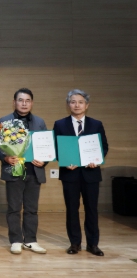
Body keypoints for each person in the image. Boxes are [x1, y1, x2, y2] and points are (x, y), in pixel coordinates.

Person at [0, 88, 48, 255]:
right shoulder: (3, 121)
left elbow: (47, 145)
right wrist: (5, 158)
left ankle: (30, 240)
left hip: (34, 171)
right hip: (13, 170)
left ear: (32, 103)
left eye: (27, 100)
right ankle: (16, 240)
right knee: (14, 208)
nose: (24, 104)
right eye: (20, 100)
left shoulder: (40, 122)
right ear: (14, 102)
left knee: (32, 209)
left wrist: (44, 161)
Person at [53, 89, 108, 256]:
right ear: (68, 105)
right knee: (72, 209)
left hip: (91, 173)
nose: (77, 105)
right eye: (73, 102)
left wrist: (96, 160)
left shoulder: (96, 124)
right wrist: (64, 162)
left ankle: (93, 244)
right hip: (70, 174)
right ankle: (74, 243)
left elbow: (104, 146)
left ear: (87, 105)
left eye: (80, 102)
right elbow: (56, 147)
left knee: (92, 209)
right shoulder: (60, 124)